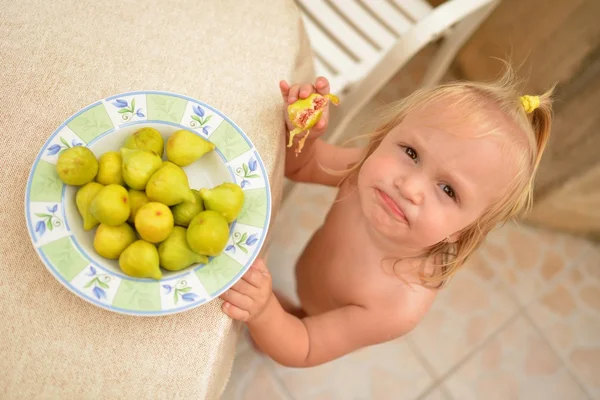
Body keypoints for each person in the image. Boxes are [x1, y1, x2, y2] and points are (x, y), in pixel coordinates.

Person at [219, 67, 554, 367]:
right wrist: (303, 133)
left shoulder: (398, 305)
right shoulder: (365, 172)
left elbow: (305, 346)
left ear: (465, 231)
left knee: (296, 322)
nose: (408, 187)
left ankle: (285, 317)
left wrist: (264, 313)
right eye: (411, 153)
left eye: (448, 190)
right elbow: (301, 166)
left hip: (326, 310)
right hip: (311, 275)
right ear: (386, 135)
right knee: (286, 313)